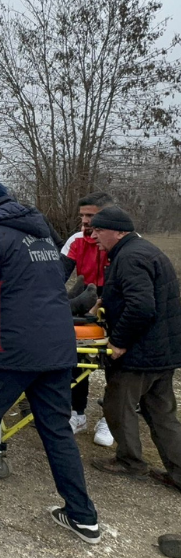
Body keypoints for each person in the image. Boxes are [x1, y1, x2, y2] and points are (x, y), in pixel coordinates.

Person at [0, 178, 100, 545]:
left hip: (11, 347)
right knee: (57, 429)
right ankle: (82, 515)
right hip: (57, 347)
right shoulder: (41, 234)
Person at [88, 207, 181, 492]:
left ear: (119, 232)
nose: (93, 236)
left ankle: (130, 462)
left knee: (118, 406)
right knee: (162, 414)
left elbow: (141, 307)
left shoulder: (129, 257)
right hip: (163, 352)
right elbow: (141, 295)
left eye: (98, 230)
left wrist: (119, 343)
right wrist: (108, 300)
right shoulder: (143, 251)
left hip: (139, 354)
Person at [61, 192, 115, 445]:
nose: (84, 221)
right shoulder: (75, 240)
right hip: (84, 299)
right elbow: (58, 275)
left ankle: (110, 418)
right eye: (82, 215)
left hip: (115, 300)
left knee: (115, 364)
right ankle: (77, 412)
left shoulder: (120, 239)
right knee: (76, 357)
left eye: (90, 216)